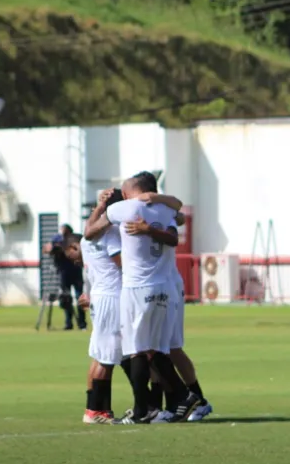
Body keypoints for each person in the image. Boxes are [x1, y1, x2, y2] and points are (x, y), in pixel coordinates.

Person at [103, 175, 200, 424]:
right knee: (158, 349)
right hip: (164, 285)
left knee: (137, 350)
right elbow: (177, 215)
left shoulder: (125, 208)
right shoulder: (166, 209)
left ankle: (152, 407)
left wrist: (102, 205)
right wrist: (158, 203)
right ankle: (168, 402)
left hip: (138, 286)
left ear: (128, 193)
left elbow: (92, 229)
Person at [130, 174, 214, 422]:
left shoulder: (161, 211)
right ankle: (163, 405)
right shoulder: (141, 212)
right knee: (159, 348)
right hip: (157, 287)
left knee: (169, 347)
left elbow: (177, 214)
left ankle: (197, 400)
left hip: (166, 285)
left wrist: (157, 203)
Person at [76, 188, 125, 424]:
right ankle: (94, 411)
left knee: (99, 355)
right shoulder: (112, 233)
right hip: (111, 295)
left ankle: (98, 409)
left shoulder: (87, 237)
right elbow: (122, 264)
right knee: (106, 357)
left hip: (99, 295)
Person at [43, 224, 87, 331]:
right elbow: (47, 249)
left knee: (79, 297)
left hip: (76, 272)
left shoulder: (75, 238)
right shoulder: (58, 239)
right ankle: (69, 323)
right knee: (66, 298)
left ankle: (82, 324)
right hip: (63, 273)